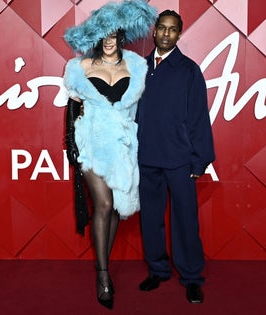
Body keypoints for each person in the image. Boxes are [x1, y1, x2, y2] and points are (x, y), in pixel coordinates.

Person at [62, 0, 156, 310]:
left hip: (122, 146)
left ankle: (103, 259)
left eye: (114, 34)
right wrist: (73, 148)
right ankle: (103, 275)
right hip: (90, 142)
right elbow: (73, 108)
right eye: (104, 35)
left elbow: (140, 110)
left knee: (115, 207)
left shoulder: (137, 67)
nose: (109, 40)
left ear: (121, 35)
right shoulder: (80, 67)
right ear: (97, 37)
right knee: (102, 203)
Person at [136, 10, 215, 304]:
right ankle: (157, 269)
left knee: (185, 221)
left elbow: (198, 118)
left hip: (181, 159)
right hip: (146, 157)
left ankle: (192, 277)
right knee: (151, 219)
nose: (167, 34)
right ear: (154, 31)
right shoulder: (139, 68)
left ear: (179, 34)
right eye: (162, 28)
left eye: (173, 30)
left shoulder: (189, 70)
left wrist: (200, 159)